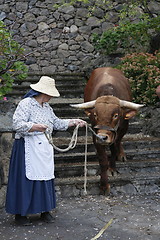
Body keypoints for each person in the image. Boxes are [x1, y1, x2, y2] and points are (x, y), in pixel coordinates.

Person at [5, 76, 86, 226]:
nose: (51, 97)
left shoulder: (47, 108)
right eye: (50, 94)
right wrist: (35, 126)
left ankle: (44, 210)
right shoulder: (26, 104)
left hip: (43, 148)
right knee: (26, 180)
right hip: (27, 147)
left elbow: (56, 123)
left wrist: (74, 121)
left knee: (44, 178)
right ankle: (21, 214)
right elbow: (16, 124)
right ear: (43, 92)